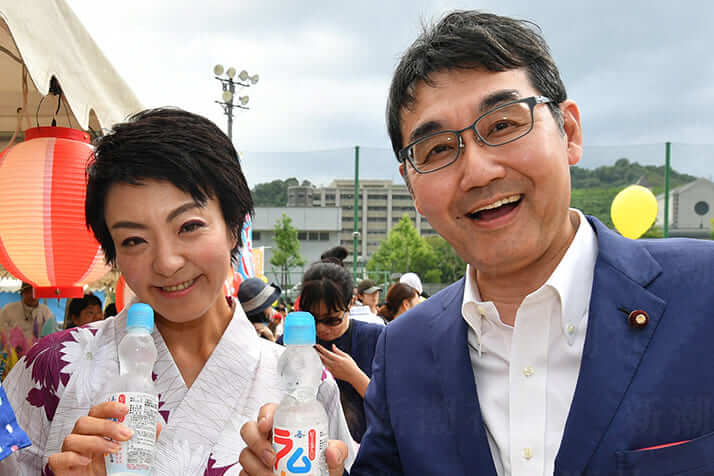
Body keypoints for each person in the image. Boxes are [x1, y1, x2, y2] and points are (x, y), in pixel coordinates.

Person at [241, 11, 714, 476]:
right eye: (438, 149)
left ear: (568, 132)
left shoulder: (702, 294)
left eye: (503, 125)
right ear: (412, 187)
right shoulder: (404, 351)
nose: (479, 172)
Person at [0, 108, 354, 475]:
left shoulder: (303, 383)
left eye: (189, 226)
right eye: (133, 240)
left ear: (233, 227)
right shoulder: (50, 368)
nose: (166, 262)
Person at [279, 261, 383, 444]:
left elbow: (389, 408)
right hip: (304, 446)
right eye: (312, 319)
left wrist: (354, 375)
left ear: (351, 303)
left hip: (364, 450)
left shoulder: (375, 338)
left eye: (332, 320)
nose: (320, 329)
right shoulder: (290, 344)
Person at [0, 282, 55, 356]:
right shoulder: (8, 309)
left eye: (36, 292)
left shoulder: (46, 311)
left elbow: (51, 335)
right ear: (22, 293)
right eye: (28, 292)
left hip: (37, 356)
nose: (33, 296)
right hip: (12, 356)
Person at [238, 277, 282, 341]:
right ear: (262, 308)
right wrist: (271, 338)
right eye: (269, 304)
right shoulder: (253, 335)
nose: (271, 309)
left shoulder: (243, 330)